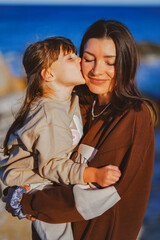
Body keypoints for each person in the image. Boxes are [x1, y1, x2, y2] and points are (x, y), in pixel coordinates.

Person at [2, 19, 156, 240]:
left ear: (125, 63)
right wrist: (16, 188)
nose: (96, 70)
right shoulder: (77, 104)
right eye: (88, 58)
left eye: (109, 62)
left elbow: (98, 194)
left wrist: (26, 202)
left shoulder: (133, 116)